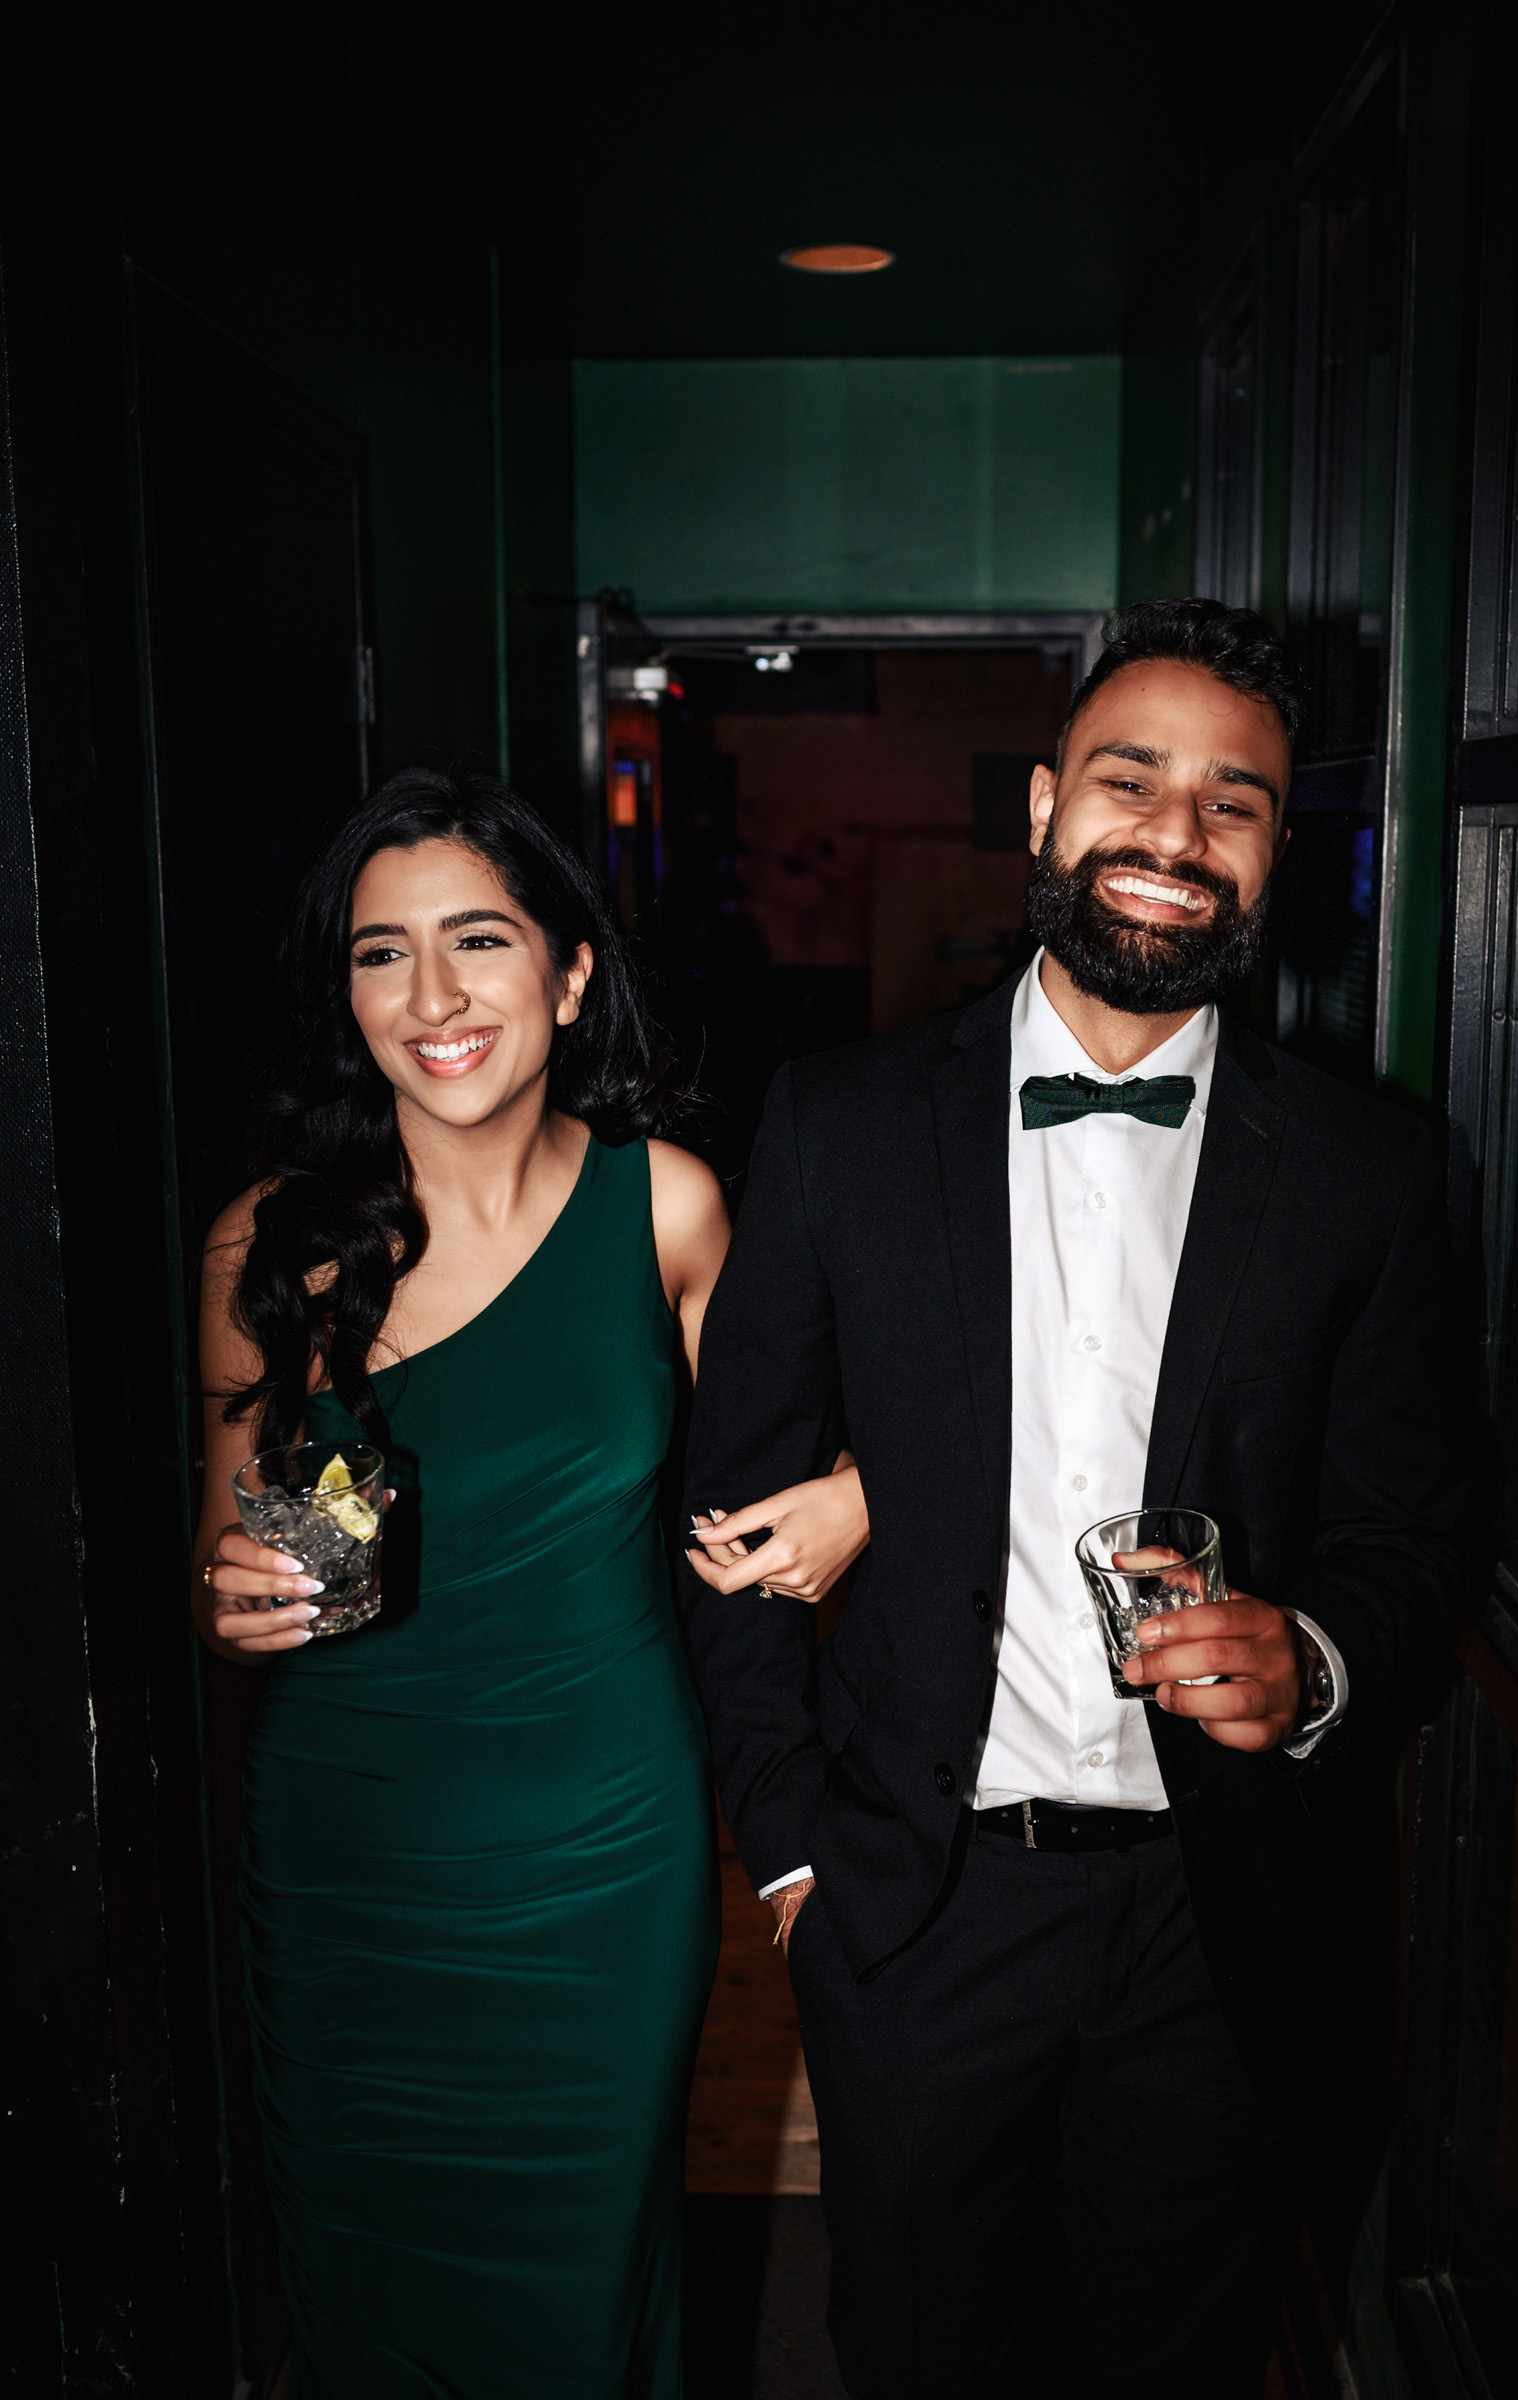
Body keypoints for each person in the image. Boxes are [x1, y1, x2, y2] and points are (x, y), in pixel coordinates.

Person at [680, 601, 1462, 2399]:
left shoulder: (1368, 1172)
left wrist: (1320, 1659)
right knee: (922, 2354)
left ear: (1280, 856)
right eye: (1132, 779)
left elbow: (1419, 1531)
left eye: (1235, 802)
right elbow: (729, 1530)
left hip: (1223, 1916)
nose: (1177, 835)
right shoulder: (838, 1126)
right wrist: (798, 1858)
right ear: (1042, 808)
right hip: (920, 1896)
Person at [191, 768, 866, 2399]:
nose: (430, 997)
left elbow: (801, 1487)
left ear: (568, 974)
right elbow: (226, 1561)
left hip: (598, 1857)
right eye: (379, 953)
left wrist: (859, 1498)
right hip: (348, 1852)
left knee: (579, 2295)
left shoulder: (674, 1206)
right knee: (361, 2293)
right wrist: (229, 1593)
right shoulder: (269, 1246)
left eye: (477, 941)